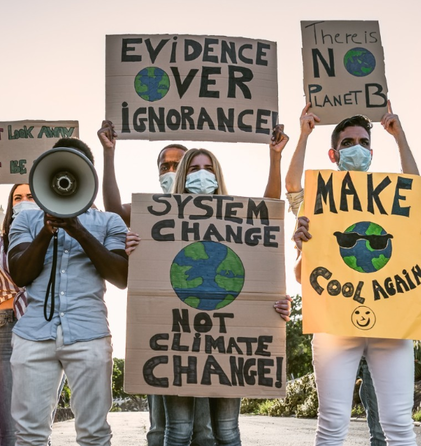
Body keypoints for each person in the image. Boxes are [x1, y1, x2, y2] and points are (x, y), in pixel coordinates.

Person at [290, 102, 418, 445]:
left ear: (372, 152)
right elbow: (303, 276)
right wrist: (304, 247)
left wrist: (399, 135)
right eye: (348, 143)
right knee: (331, 425)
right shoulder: (317, 199)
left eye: (363, 142)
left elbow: (415, 190)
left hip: (391, 321)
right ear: (334, 154)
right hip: (334, 323)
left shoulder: (394, 195)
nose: (356, 148)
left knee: (399, 424)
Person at [159, 128, 291, 445]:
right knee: (176, 431)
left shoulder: (237, 218)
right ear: (182, 176)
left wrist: (273, 304)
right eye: (193, 169)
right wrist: (135, 244)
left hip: (228, 346)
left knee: (228, 432)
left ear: (218, 176)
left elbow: (268, 213)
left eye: (208, 169)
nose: (202, 175)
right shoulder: (158, 222)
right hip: (179, 343)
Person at [98, 119, 216, 446]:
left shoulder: (221, 212)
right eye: (164, 165)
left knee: (203, 430)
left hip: (208, 333)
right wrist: (110, 153)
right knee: (161, 428)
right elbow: (111, 208)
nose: (171, 170)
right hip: (162, 333)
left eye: (179, 164)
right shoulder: (149, 211)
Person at [7, 137, 129, 446]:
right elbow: (20, 273)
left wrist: (77, 229)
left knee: (94, 434)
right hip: (34, 335)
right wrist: (48, 230)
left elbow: (120, 276)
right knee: (29, 435)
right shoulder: (26, 218)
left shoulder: (109, 221)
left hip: (89, 334)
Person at [0, 183, 36, 446]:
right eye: (17, 197)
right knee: (7, 431)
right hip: (4, 326)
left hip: (41, 326)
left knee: (37, 428)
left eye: (30, 196)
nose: (23, 201)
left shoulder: (56, 236)